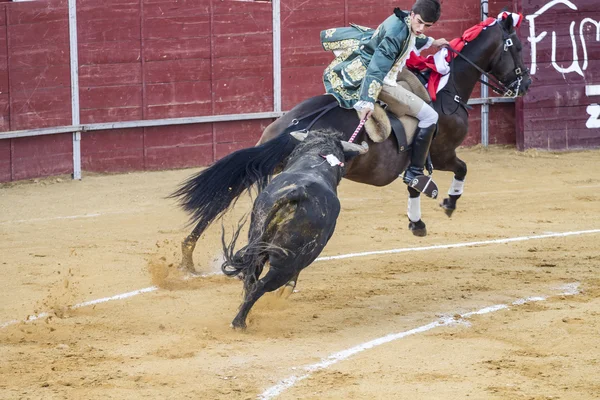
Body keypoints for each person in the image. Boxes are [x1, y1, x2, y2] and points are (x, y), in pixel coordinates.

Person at [320, 0, 448, 197]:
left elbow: (413, 37)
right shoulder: (397, 34)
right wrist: (367, 100)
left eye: (427, 26)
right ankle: (414, 172)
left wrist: (432, 42)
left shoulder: (405, 20)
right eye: (420, 22)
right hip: (383, 79)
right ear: (412, 15)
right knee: (430, 116)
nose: (421, 28)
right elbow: (377, 69)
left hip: (380, 69)